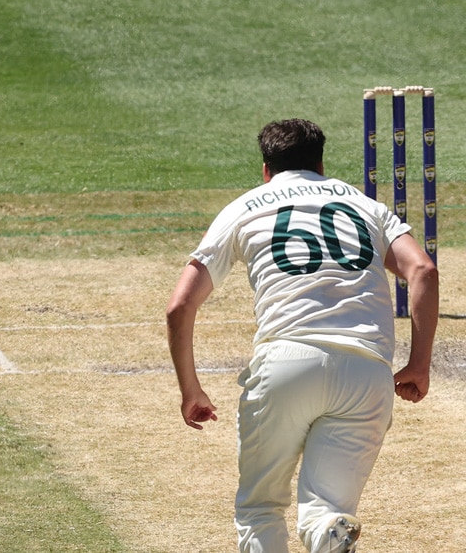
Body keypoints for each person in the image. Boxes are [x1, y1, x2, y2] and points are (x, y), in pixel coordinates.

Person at [165, 118, 439, 552]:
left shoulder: (245, 206)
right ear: (321, 163)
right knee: (325, 508)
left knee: (260, 508)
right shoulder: (362, 204)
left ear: (265, 169)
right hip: (366, 372)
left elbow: (179, 306)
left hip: (286, 365)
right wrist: (420, 364)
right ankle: (326, 527)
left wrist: (190, 389)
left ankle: (323, 529)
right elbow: (421, 269)